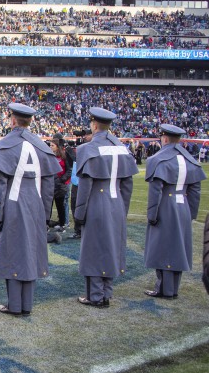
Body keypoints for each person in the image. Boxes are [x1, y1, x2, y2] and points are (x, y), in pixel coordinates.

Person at [0, 103, 61, 317]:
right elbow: (49, 188)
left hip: (13, 203)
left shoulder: (4, 146)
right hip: (36, 205)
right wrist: (45, 215)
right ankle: (26, 304)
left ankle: (14, 305)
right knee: (31, 252)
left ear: (12, 120)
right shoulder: (43, 147)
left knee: (12, 252)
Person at [74, 107, 138, 308]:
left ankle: (95, 295)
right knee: (111, 247)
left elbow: (85, 186)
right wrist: (122, 209)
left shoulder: (87, 149)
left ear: (94, 125)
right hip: (116, 202)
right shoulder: (122, 148)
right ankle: (106, 293)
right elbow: (127, 185)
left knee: (93, 249)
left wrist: (79, 213)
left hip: (96, 202)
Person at [144, 124, 206, 299]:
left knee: (162, 248)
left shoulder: (159, 159)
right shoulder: (190, 159)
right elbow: (195, 192)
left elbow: (155, 190)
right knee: (178, 248)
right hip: (183, 205)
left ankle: (164, 288)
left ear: (164, 138)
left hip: (166, 205)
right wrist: (191, 214)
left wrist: (152, 214)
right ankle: (172, 288)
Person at [69, 128, 92, 239]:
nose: (84, 137)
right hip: (76, 180)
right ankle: (78, 229)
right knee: (74, 205)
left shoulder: (92, 148)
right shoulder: (81, 147)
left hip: (85, 180)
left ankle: (85, 229)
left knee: (85, 206)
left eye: (86, 135)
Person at [48, 137, 72, 233]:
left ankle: (62, 224)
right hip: (50, 184)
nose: (50, 147)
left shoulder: (64, 156)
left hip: (60, 185)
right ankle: (47, 224)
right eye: (50, 145)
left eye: (52, 146)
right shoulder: (49, 156)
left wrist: (62, 179)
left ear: (57, 147)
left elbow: (69, 170)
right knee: (48, 205)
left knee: (60, 206)